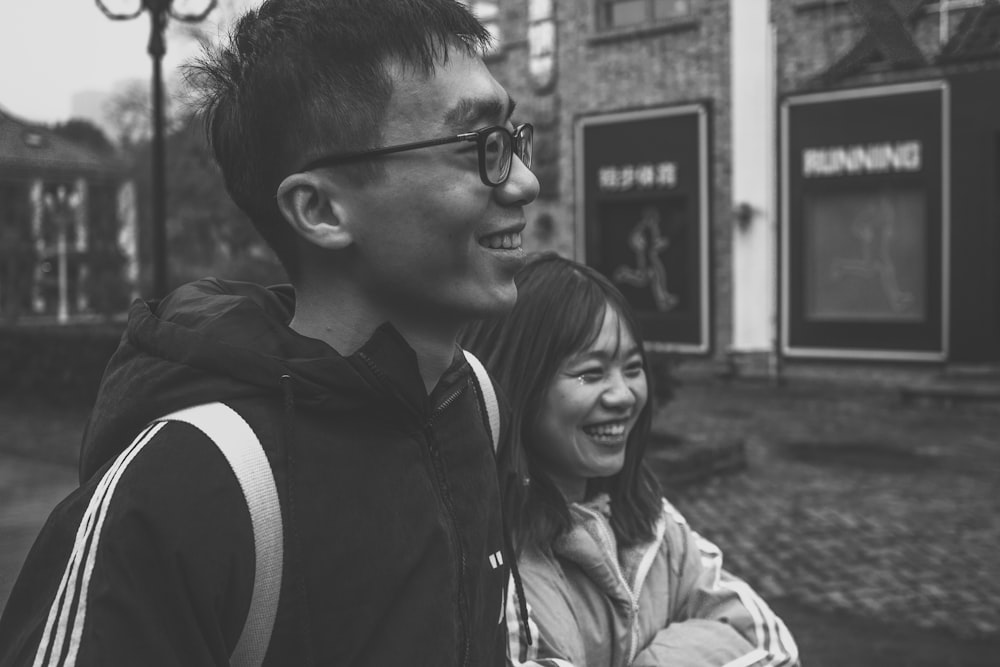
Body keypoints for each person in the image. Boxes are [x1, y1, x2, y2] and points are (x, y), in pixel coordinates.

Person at [0, 0, 538, 665]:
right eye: (476, 146)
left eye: (512, 139)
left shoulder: (473, 401)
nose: (524, 181)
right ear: (318, 209)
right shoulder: (191, 482)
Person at [462, 254, 799, 667]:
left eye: (633, 367)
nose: (623, 396)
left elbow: (770, 645)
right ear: (519, 384)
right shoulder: (490, 559)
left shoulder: (651, 522)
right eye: (591, 373)